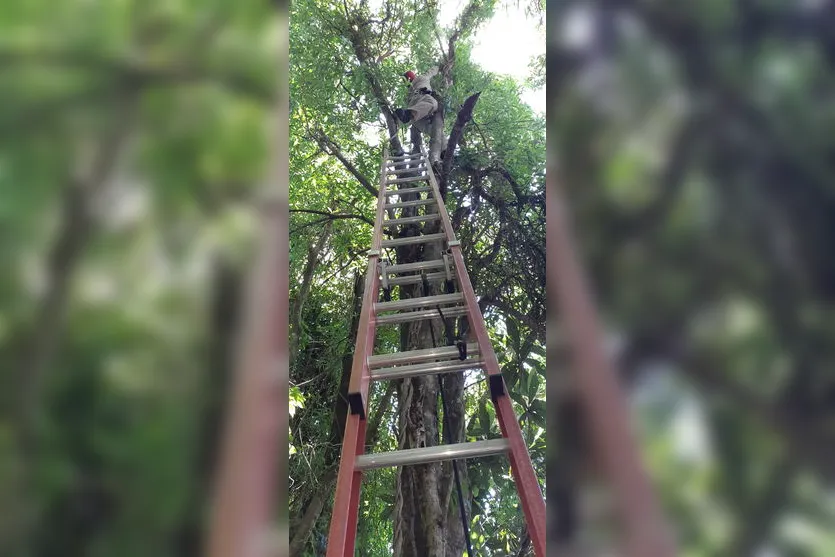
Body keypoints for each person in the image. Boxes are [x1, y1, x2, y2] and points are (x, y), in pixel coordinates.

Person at [394, 68, 439, 133]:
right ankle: (409, 114)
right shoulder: (422, 77)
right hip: (422, 98)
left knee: (431, 130)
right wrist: (439, 67)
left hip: (414, 110)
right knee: (433, 103)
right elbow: (432, 71)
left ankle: (407, 115)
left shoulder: (408, 93)